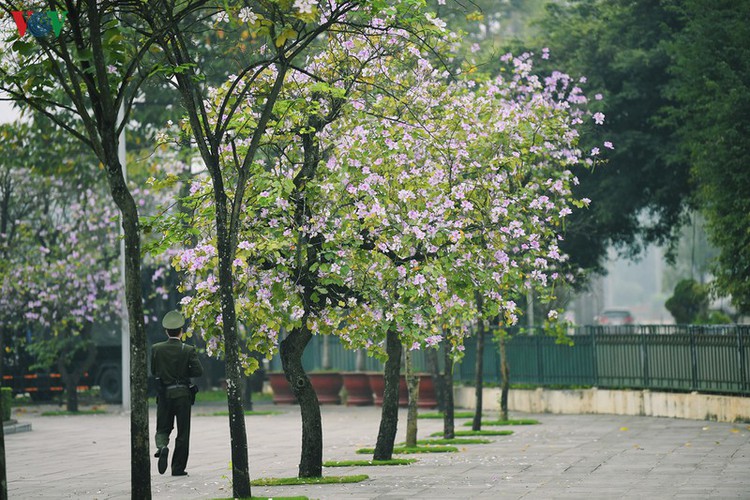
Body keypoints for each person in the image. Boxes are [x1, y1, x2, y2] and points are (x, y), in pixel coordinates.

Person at [151, 310, 203, 476]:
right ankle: (178, 468)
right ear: (181, 331)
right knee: (183, 432)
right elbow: (198, 371)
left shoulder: (156, 349)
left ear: (166, 331)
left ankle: (162, 446)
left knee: (162, 427)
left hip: (164, 394)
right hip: (182, 395)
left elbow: (154, 371)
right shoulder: (187, 349)